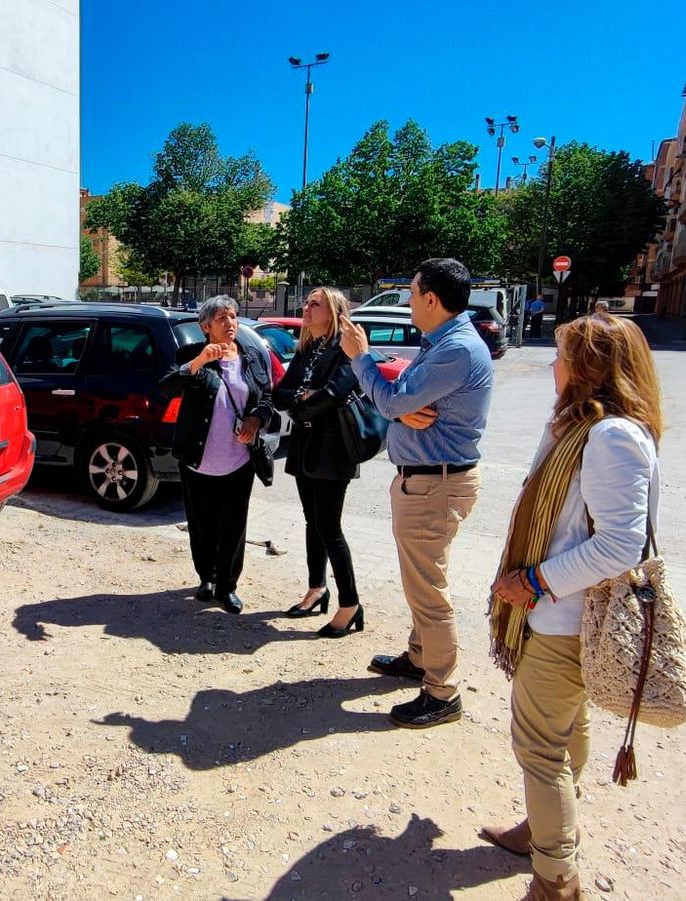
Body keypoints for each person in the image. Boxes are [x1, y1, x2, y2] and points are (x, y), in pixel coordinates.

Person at [478, 313, 663, 901]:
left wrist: (534, 580)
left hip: (564, 619)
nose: (551, 366)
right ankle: (544, 825)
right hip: (566, 617)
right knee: (566, 728)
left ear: (587, 369)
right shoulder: (585, 427)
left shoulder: (610, 436)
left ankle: (556, 878)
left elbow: (620, 545)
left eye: (561, 356)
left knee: (538, 747)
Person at [339, 258, 493, 730]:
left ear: (431, 299)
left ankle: (442, 691)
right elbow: (400, 397)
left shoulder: (457, 350)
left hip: (434, 484)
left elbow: (390, 399)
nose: (407, 301)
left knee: (428, 591)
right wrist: (401, 405)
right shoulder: (443, 343)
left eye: (411, 292)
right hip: (426, 480)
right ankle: (420, 657)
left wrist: (361, 358)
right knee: (420, 581)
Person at [161, 295, 274, 615]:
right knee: (201, 524)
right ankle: (206, 579)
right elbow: (165, 387)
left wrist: (256, 420)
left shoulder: (251, 357)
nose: (231, 323)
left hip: (238, 461)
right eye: (223, 318)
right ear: (206, 327)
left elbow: (266, 397)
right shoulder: (189, 355)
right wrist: (197, 364)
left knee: (233, 526)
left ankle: (227, 586)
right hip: (198, 459)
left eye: (234, 317)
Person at [272, 287, 364, 638]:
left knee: (329, 527)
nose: (305, 308)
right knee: (312, 522)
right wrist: (302, 397)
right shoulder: (309, 348)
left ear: (334, 311)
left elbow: (334, 395)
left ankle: (350, 603)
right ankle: (317, 588)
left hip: (334, 448)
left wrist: (302, 401)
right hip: (305, 443)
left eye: (314, 304)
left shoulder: (346, 347)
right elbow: (281, 392)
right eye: (306, 303)